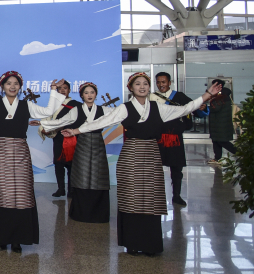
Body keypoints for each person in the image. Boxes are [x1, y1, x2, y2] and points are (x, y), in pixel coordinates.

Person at [62, 73, 220, 256]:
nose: (142, 87)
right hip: (131, 155)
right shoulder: (125, 108)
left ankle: (150, 244)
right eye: (137, 84)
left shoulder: (159, 107)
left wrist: (207, 95)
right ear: (131, 88)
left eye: (145, 83)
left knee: (152, 198)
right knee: (131, 199)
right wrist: (76, 130)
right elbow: (101, 122)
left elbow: (186, 109)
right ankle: (132, 243)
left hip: (152, 154)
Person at [0, 72, 67, 253]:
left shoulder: (27, 105)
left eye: (16, 83)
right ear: (2, 86)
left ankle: (17, 240)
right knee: (3, 194)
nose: (12, 86)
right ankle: (3, 237)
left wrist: (53, 90)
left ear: (20, 87)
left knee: (22, 195)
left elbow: (48, 111)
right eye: (8, 83)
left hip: (21, 152)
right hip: (1, 152)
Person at [34, 82, 113, 223]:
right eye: (86, 93)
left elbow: (119, 116)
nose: (89, 95)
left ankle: (99, 212)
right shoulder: (76, 110)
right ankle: (80, 211)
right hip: (81, 143)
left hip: (98, 144)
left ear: (96, 94)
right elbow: (61, 121)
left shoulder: (104, 110)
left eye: (92, 92)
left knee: (98, 176)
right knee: (81, 175)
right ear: (82, 95)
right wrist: (42, 123)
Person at [150, 72, 194, 206]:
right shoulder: (151, 97)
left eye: (163, 82)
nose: (161, 85)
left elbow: (194, 107)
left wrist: (202, 107)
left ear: (169, 82)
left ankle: (176, 195)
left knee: (176, 168)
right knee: (154, 168)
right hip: (157, 138)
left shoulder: (179, 96)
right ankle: (154, 196)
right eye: (158, 82)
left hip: (174, 138)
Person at [37, 80, 82, 198]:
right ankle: (61, 189)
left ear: (69, 90)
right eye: (60, 88)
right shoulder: (53, 105)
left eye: (65, 88)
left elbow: (79, 121)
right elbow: (47, 119)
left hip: (71, 138)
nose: (62, 90)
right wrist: (44, 128)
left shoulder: (76, 104)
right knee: (58, 163)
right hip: (58, 137)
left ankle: (71, 190)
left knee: (71, 165)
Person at [207, 79, 236, 162]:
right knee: (216, 141)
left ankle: (239, 153)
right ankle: (217, 158)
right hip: (217, 123)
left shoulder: (222, 96)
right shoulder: (221, 96)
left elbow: (216, 108)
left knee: (222, 141)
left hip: (221, 124)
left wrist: (206, 108)